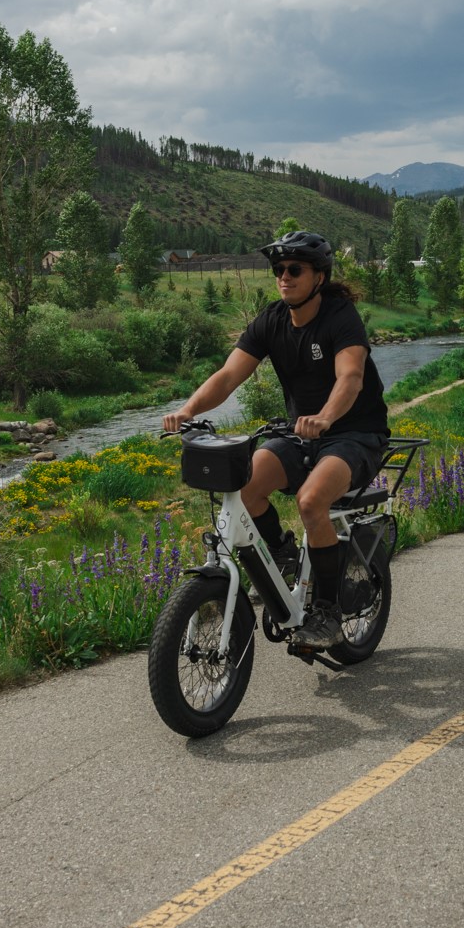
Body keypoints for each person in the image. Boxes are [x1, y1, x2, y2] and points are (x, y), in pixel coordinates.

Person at [164, 231, 390, 649]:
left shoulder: (340, 317)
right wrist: (188, 410)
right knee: (245, 487)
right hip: (300, 434)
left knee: (310, 501)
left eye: (294, 269)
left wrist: (325, 417)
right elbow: (229, 376)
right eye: (278, 270)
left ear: (318, 277)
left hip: (354, 434)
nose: (283, 277)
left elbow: (351, 378)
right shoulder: (271, 320)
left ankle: (326, 612)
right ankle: (282, 556)